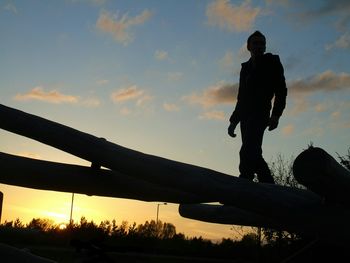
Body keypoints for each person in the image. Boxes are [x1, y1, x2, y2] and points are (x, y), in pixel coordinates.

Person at [228, 31, 287, 184]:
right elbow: (241, 97)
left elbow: (281, 90)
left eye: (262, 43)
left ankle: (244, 180)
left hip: (261, 113)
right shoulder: (245, 68)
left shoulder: (272, 62)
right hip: (245, 116)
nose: (259, 46)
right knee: (253, 151)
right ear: (248, 46)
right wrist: (234, 121)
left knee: (247, 149)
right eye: (256, 43)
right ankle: (268, 184)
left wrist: (276, 115)